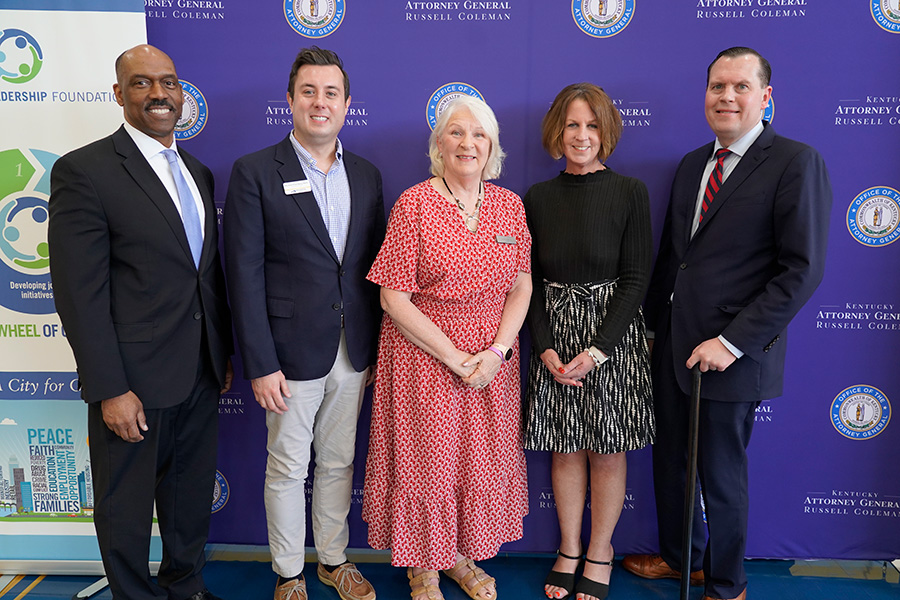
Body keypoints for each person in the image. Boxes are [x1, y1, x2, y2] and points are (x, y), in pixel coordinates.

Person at [622, 47, 833, 600]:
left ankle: (725, 584)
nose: (727, 97)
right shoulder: (694, 163)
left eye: (741, 87)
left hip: (730, 355)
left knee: (720, 477)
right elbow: (676, 257)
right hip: (671, 347)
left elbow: (801, 271)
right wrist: (649, 330)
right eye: (718, 86)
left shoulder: (795, 161)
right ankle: (682, 560)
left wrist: (733, 342)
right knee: (671, 464)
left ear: (766, 98)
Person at [48, 44, 233, 600]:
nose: (158, 94)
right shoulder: (84, 170)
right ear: (119, 94)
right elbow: (79, 294)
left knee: (189, 495)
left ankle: (186, 588)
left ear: (182, 93)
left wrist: (218, 355)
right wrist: (109, 387)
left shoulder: (198, 172)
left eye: (168, 83)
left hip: (199, 372)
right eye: (142, 84)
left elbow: (204, 275)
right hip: (131, 381)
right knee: (125, 508)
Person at [223, 46, 383, 600]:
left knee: (338, 462)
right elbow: (241, 276)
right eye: (308, 91)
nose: (320, 103)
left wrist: (376, 352)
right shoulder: (254, 172)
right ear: (290, 100)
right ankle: (289, 574)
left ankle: (335, 562)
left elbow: (370, 270)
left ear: (346, 104)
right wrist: (260, 363)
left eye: (331, 93)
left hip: (353, 350)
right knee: (289, 466)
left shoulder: (366, 175)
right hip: (288, 357)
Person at [362, 95, 532, 600]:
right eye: (456, 132)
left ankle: (458, 556)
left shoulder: (509, 204)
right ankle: (423, 568)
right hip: (424, 358)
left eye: (479, 134)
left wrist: (498, 351)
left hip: (490, 361)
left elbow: (521, 286)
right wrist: (454, 357)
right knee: (427, 463)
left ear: (493, 146)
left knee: (472, 462)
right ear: (438, 143)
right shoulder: (415, 202)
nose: (468, 143)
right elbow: (393, 297)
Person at [522, 83, 655, 600]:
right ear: (557, 130)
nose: (582, 136)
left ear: (607, 132)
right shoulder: (536, 197)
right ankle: (569, 548)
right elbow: (525, 280)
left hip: (612, 340)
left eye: (592, 125)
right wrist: (546, 346)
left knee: (607, 450)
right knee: (565, 449)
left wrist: (599, 349)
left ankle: (601, 550)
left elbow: (637, 276)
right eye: (573, 125)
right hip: (554, 337)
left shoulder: (630, 192)